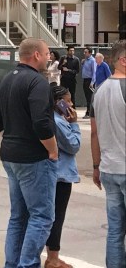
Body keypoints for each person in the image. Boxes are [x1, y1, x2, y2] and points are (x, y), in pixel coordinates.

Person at [0, 38, 58, 268]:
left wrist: (12, 135)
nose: (49, 58)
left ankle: (13, 263)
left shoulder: (6, 79)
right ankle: (28, 264)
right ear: (36, 55)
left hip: (10, 155)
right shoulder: (37, 82)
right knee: (42, 216)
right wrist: (52, 149)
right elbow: (41, 122)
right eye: (47, 54)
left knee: (18, 216)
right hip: (34, 157)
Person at [90, 40, 126, 268]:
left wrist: (96, 166)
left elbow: (94, 133)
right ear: (123, 60)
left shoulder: (99, 91)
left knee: (115, 229)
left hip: (109, 168)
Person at [44, 84, 81, 268]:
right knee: (57, 216)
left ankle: (52, 255)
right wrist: (74, 124)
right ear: (59, 103)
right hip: (61, 174)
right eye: (67, 101)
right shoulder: (59, 122)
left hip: (53, 172)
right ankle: (53, 257)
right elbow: (73, 145)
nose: (71, 103)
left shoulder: (52, 118)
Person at [80, 47, 96, 117]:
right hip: (85, 80)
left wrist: (92, 82)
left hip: (90, 80)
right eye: (84, 52)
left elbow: (94, 72)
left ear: (90, 53)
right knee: (87, 97)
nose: (84, 53)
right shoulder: (85, 60)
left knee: (90, 97)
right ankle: (88, 111)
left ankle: (90, 112)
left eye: (86, 52)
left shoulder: (92, 60)